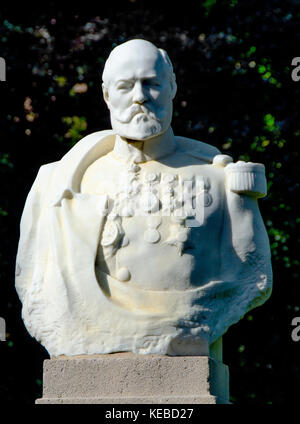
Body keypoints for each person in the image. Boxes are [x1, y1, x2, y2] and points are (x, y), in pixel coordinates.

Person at [16, 39, 272, 358]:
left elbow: (254, 276)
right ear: (107, 95)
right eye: (125, 86)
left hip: (190, 340)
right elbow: (35, 284)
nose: (139, 97)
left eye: (151, 83)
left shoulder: (219, 178)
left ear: (171, 88)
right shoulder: (58, 184)